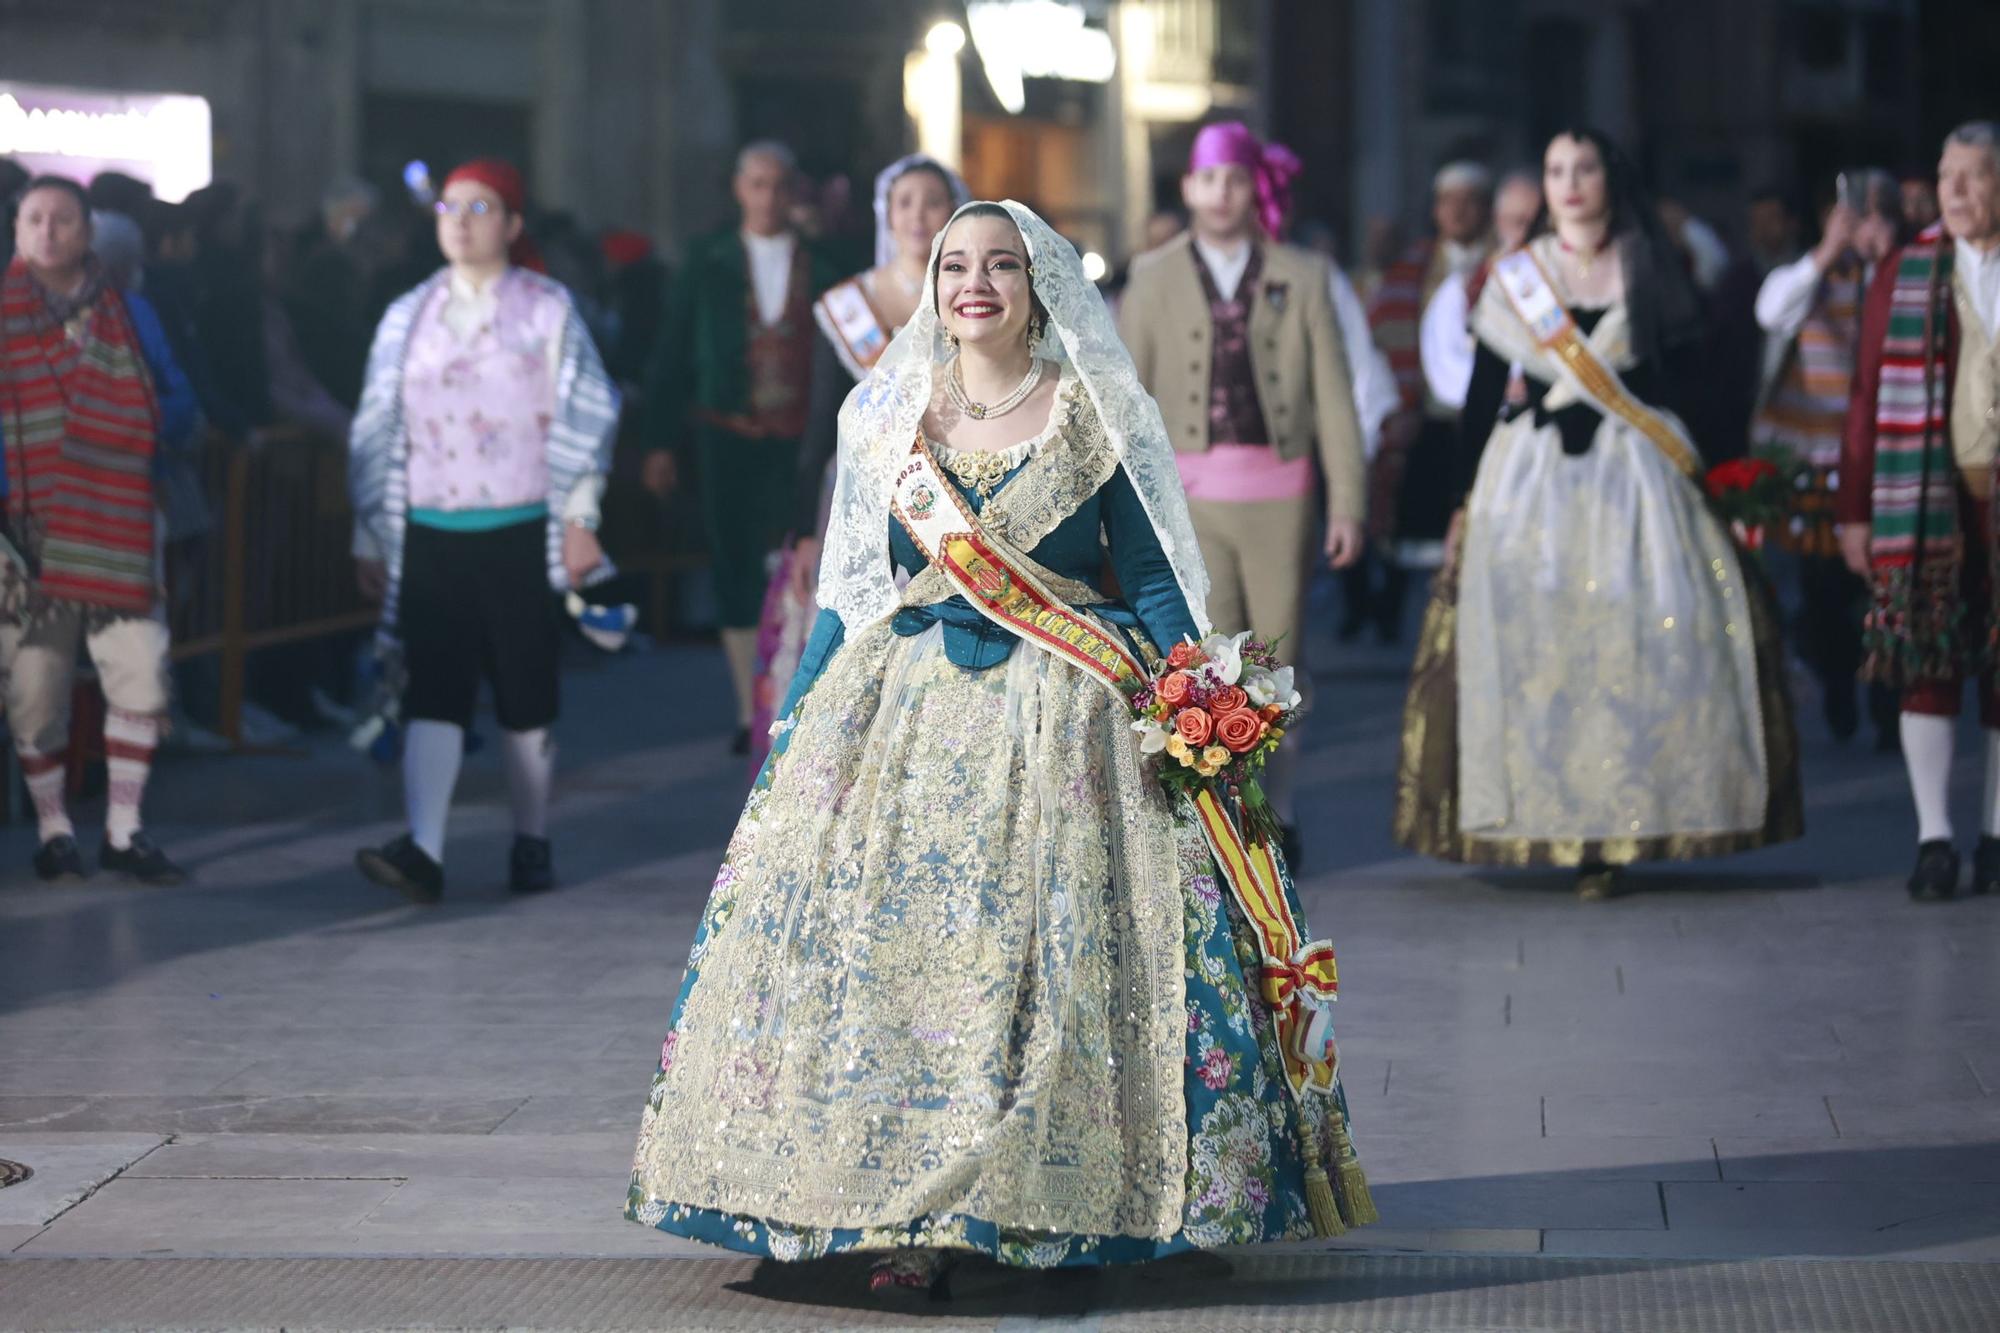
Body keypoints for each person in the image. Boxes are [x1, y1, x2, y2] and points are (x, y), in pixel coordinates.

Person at [626, 200, 1374, 1293]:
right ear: (931, 286)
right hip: (905, 720)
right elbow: (849, 592)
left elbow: (1153, 575)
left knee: (1062, 962)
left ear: (1041, 286)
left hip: (1068, 721)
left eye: (1000, 266)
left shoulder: (1091, 411)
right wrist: (793, 717)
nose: (974, 284)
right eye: (954, 266)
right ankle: (898, 1215)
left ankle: (1106, 1200)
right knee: (898, 967)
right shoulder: (886, 417)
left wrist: (1196, 696)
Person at [1393, 129, 1803, 900]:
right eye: (1555, 170)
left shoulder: (1651, 264)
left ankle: (1626, 818)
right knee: (1538, 648)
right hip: (1531, 484)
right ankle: (1555, 817)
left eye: (1584, 168)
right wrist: (1462, 501)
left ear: (1610, 179)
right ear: (1542, 186)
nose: (1571, 182)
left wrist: (1724, 478)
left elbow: (1685, 379)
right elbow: (1484, 395)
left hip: (1635, 473)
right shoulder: (1515, 276)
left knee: (1640, 643)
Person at [348, 158, 619, 903]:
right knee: (433, 687)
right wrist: (368, 531)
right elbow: (376, 423)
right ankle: (424, 849)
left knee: (524, 689)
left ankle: (531, 839)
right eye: (449, 208)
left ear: (512, 223)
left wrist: (580, 517)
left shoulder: (546, 308)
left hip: (522, 523)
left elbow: (588, 414)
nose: (460, 222)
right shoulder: (408, 315)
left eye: (479, 208)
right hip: (430, 525)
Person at [1118, 122, 1368, 863]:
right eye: (1207, 178)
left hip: (1281, 493)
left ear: (1251, 187)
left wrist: (1348, 502)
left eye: (1234, 178)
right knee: (1208, 663)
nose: (1220, 193)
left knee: (1280, 664)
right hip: (1190, 499)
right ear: (1189, 188)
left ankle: (1281, 808)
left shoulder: (1305, 273)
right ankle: (1229, 820)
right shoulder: (1153, 275)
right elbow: (1126, 401)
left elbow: (1335, 399)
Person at [0, 175, 197, 883]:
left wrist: (133, 432)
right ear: (17, 231)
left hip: (117, 522)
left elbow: (180, 404)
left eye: (61, 220)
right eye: (33, 219)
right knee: (35, 688)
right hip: (25, 535)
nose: (47, 231)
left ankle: (124, 828)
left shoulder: (133, 314)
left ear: (87, 232)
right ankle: (56, 830)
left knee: (139, 673)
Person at [746, 154, 967, 771]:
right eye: (905, 202)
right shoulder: (849, 305)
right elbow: (821, 421)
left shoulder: (973, 295)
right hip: (864, 494)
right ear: (886, 215)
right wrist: (807, 530)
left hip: (952, 488)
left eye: (932, 200)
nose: (919, 215)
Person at [1838, 122, 2000, 902]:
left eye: (1975, 175)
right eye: (1947, 176)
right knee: (1925, 666)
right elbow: (1866, 395)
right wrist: (1854, 510)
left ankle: (1998, 835)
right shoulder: (1904, 273)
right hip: (1927, 494)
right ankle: (1935, 837)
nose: (1958, 191)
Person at [644, 141, 840, 754]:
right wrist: (658, 440)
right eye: (756, 184)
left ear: (794, 192)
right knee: (731, 563)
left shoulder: (824, 264)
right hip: (725, 433)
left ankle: (789, 695)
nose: (767, 197)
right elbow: (672, 352)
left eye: (779, 185)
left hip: (799, 440)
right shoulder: (707, 261)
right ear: (738, 189)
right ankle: (741, 705)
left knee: (795, 562)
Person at [1752, 171, 1904, 749]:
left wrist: (1883, 254)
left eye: (1877, 213)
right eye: (1854, 214)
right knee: (1823, 595)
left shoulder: (1899, 273)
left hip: (1885, 461)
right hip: (1816, 461)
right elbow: (1771, 311)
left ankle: (1887, 708)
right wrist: (1827, 252)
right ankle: (1839, 679)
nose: (1865, 225)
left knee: (1883, 594)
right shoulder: (1811, 275)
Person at [1358, 161, 1494, 641]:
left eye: (1468, 201)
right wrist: (1399, 405)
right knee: (1412, 532)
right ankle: (1394, 626)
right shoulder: (1412, 268)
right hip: (1427, 419)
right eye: (1447, 201)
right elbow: (1379, 340)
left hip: (1489, 422)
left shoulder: (1505, 262)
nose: (1457, 212)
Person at [1421, 169, 1542, 413]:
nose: (1526, 234)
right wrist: (1500, 385)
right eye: (1516, 222)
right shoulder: (1465, 287)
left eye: (1536, 223)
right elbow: (1446, 365)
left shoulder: (1566, 282)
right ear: (1498, 221)